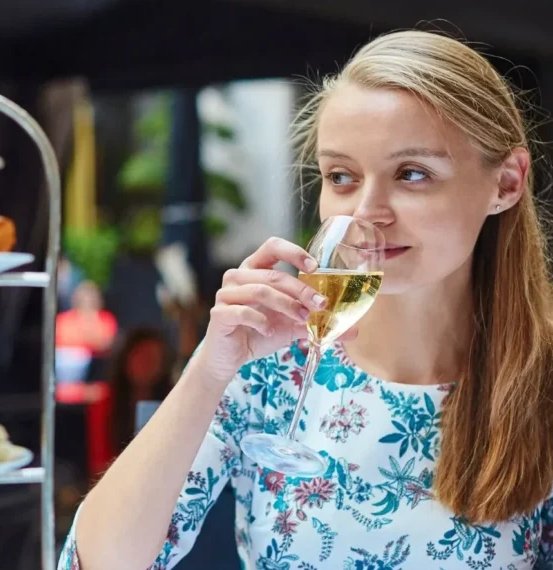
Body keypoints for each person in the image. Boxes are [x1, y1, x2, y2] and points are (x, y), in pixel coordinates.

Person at [58, 30, 553, 569]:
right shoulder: (267, 367)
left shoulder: (538, 380)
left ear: (506, 182)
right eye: (341, 176)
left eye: (413, 174)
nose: (367, 211)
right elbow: (96, 564)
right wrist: (207, 371)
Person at [106, 328, 176, 453]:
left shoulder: (172, 404)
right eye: (141, 356)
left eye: (153, 359)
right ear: (125, 359)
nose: (146, 365)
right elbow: (97, 463)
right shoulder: (105, 404)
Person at [55, 280, 118, 357]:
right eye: (83, 299)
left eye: (90, 300)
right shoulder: (63, 320)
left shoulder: (107, 319)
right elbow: (59, 342)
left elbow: (106, 343)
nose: (87, 302)